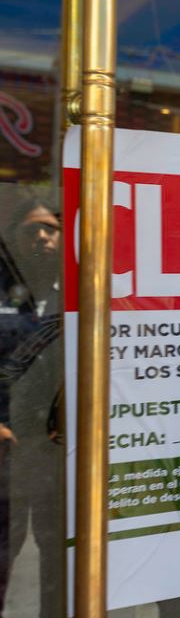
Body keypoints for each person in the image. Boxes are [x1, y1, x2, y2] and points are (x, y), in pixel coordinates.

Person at [0, 195, 64, 618]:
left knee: (55, 551)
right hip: (7, 448)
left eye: (50, 229)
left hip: (52, 450)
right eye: (30, 230)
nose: (42, 237)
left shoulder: (78, 297)